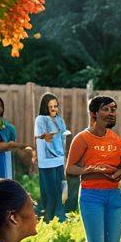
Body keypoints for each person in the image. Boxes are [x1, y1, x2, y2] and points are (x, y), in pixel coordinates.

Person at [66, 97, 121, 242]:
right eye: (106, 109)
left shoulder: (116, 139)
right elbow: (70, 169)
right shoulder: (82, 138)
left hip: (114, 197)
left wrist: (120, 173)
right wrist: (92, 169)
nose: (111, 113)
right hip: (91, 196)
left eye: (113, 109)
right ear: (93, 113)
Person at [34, 93, 70, 223]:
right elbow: (43, 138)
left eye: (55, 106)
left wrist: (62, 156)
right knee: (50, 193)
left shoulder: (60, 120)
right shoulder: (40, 119)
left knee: (60, 190)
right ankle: (48, 220)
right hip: (47, 162)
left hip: (58, 160)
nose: (54, 109)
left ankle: (60, 218)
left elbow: (62, 138)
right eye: (50, 106)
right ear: (45, 107)